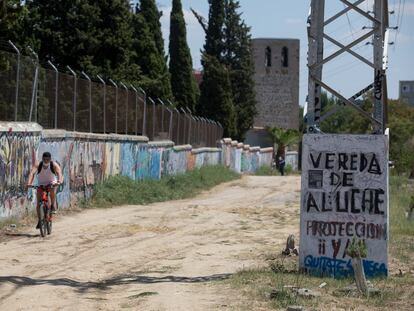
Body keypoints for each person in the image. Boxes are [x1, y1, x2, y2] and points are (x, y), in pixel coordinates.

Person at [27, 152, 64, 229]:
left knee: (52, 189)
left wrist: (59, 181)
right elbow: (32, 173)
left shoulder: (53, 165)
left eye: (47, 159)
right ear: (42, 158)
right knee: (38, 202)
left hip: (51, 182)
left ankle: (53, 205)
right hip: (41, 183)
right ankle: (40, 220)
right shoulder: (38, 164)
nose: (46, 160)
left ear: (50, 159)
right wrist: (29, 183)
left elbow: (59, 173)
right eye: (44, 159)